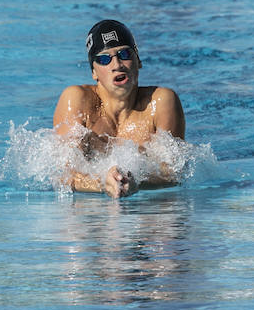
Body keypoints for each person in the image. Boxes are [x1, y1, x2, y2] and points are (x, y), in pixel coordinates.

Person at [54, 21, 186, 198]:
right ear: (94, 72)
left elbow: (174, 174)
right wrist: (102, 183)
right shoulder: (78, 100)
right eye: (104, 59)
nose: (117, 64)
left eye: (124, 54)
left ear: (138, 60)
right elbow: (63, 176)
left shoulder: (161, 102)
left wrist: (136, 183)